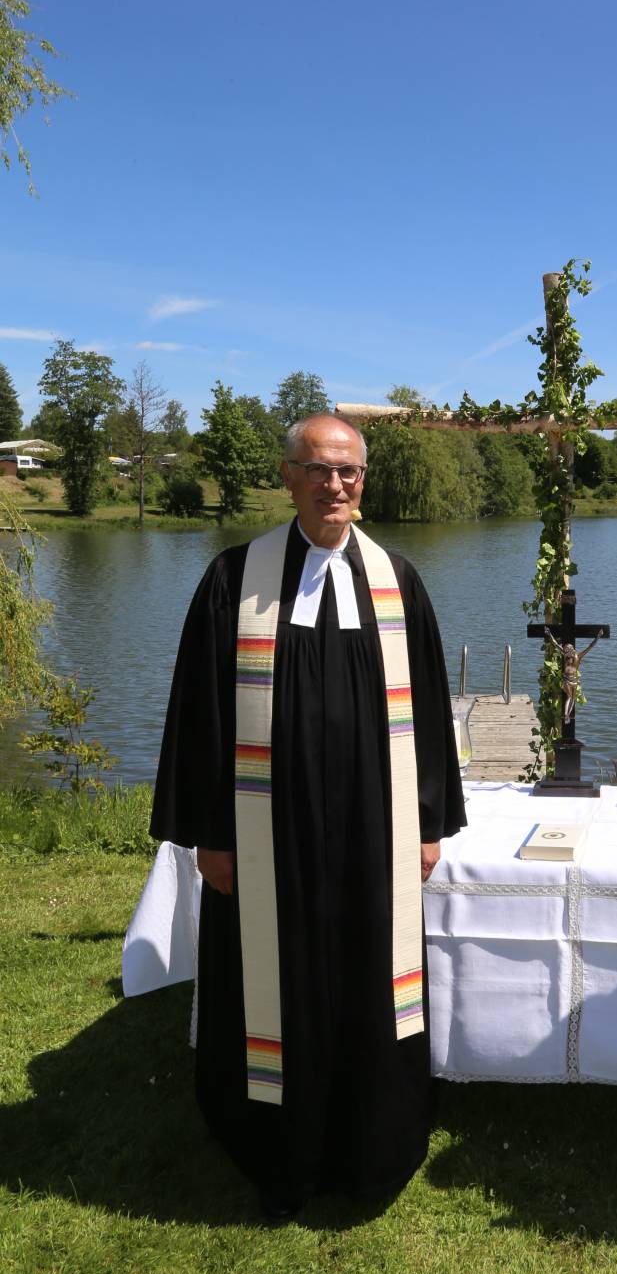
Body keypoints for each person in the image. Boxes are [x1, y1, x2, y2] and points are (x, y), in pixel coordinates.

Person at [151, 413, 466, 1220]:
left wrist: (428, 825)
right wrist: (211, 837)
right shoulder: (233, 580)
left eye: (350, 472)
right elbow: (200, 716)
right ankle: (272, 1148)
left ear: (365, 482)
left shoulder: (399, 582)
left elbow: (428, 714)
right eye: (319, 470)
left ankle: (373, 1142)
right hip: (267, 840)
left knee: (370, 976)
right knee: (273, 984)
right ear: (288, 477)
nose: (336, 486)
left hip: (374, 836)